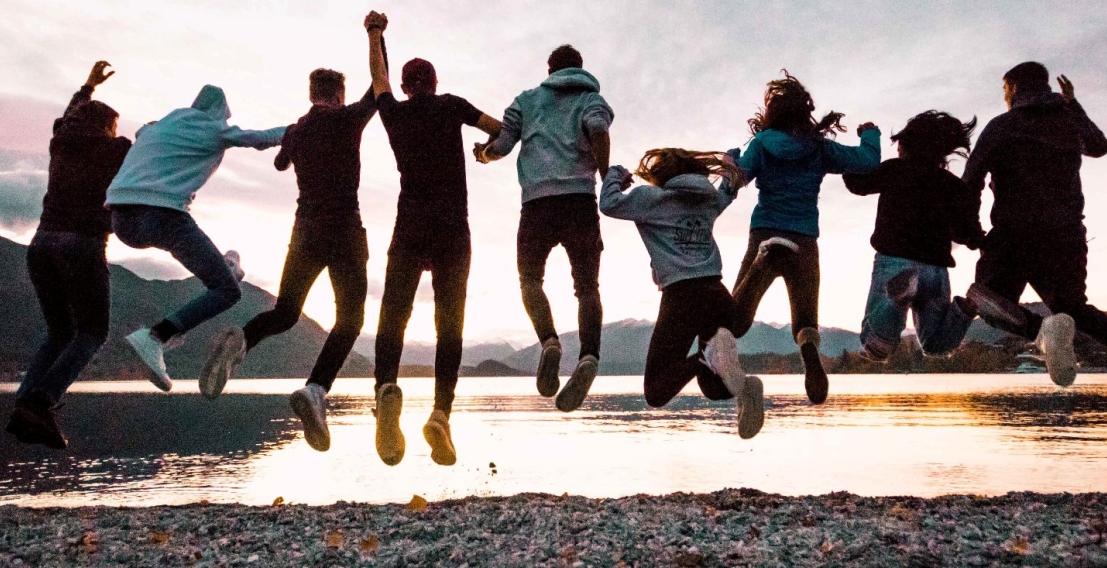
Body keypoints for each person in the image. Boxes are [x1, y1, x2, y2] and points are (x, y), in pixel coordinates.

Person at [198, 62, 378, 452]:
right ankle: (315, 389)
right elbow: (379, 89)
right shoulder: (347, 119)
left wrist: (295, 144)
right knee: (350, 319)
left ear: (312, 94)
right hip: (344, 231)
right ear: (338, 96)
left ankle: (243, 339)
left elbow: (281, 163)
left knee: (285, 313)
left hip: (304, 233)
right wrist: (377, 38)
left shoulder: (297, 130)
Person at [365, 11, 503, 466]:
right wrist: (486, 154)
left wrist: (375, 34)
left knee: (393, 317)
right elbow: (501, 130)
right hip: (452, 231)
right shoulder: (452, 106)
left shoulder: (393, 113)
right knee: (450, 325)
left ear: (406, 87)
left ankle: (386, 388)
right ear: (436, 82)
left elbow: (378, 78)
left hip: (409, 227)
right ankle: (441, 413)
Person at [105, 85, 285, 391]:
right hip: (162, 215)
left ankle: (226, 267)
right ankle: (157, 336)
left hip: (122, 221)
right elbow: (261, 138)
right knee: (227, 291)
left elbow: (141, 132)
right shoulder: (215, 129)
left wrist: (151, 128)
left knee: (220, 275)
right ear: (220, 113)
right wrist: (300, 128)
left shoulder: (156, 128)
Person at [475, 44, 614, 412]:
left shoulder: (527, 100)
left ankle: (550, 342)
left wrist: (484, 154)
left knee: (530, 281)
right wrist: (606, 179)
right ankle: (589, 357)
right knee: (587, 287)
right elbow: (599, 131)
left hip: (536, 206)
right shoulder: (591, 99)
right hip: (580, 202)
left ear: (549, 70)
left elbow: (503, 145)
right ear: (579, 68)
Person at [729, 72, 880, 405]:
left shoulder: (762, 143)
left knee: (735, 320)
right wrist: (870, 134)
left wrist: (730, 160)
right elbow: (868, 162)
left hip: (765, 232)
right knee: (806, 321)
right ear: (804, 113)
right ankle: (809, 354)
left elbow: (737, 179)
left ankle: (763, 263)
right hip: (804, 239)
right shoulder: (818, 148)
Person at [4, 62, 132, 449]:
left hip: (41, 245)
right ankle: (42, 400)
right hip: (82, 245)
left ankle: (25, 407)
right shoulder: (116, 149)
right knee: (93, 332)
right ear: (107, 126)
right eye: (113, 126)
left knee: (60, 332)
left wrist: (87, 86)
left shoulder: (60, 140)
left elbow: (69, 115)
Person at [599, 148, 763, 439]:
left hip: (681, 297)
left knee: (656, 391)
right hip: (716, 294)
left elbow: (609, 204)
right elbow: (728, 191)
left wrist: (616, 174)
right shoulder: (707, 199)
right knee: (713, 388)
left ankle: (707, 354)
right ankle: (744, 387)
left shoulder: (650, 199)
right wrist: (729, 165)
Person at [961, 62, 1107, 387]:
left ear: (1014, 88)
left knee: (986, 299)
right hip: (1067, 236)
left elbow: (971, 180)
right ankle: (1051, 332)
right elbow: (1099, 146)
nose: (1004, 97)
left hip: (1013, 236)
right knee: (1074, 310)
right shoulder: (1067, 121)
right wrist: (1073, 105)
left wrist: (970, 231)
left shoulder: (1002, 126)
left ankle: (1041, 332)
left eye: (1005, 90)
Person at [843, 111, 984, 361]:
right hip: (935, 271)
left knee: (876, 344)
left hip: (894, 261)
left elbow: (857, 183)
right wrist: (979, 236)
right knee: (935, 344)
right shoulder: (952, 185)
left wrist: (868, 137)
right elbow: (966, 234)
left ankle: (897, 299)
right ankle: (966, 309)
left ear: (907, 145)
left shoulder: (894, 170)